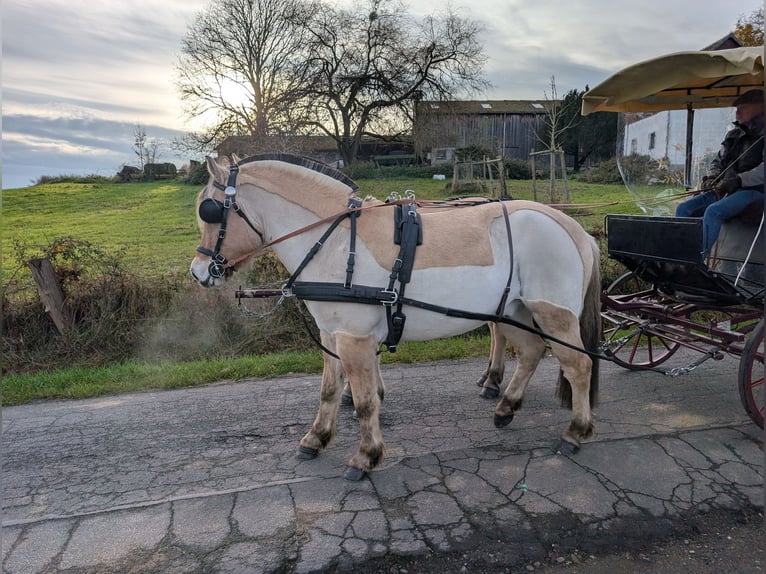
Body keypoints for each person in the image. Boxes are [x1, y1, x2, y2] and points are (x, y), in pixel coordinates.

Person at [675, 88, 764, 257]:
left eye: (741, 109)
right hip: (726, 188)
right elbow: (718, 160)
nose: (737, 114)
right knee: (684, 208)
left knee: (713, 211)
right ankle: (679, 256)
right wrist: (711, 177)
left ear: (759, 109)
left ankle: (696, 261)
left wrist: (738, 181)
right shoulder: (734, 135)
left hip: (755, 191)